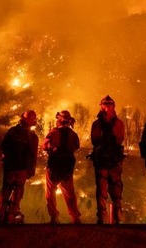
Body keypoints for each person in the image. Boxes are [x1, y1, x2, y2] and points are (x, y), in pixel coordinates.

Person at [0, 110, 39, 224]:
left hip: (10, 167)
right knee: (18, 192)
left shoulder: (12, 131)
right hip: (22, 169)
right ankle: (11, 215)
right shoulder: (32, 136)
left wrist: (6, 160)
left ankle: (0, 216)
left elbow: (3, 146)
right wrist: (31, 170)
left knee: (6, 190)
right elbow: (33, 155)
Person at [89, 95, 126, 224]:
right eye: (106, 105)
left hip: (112, 160)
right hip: (104, 160)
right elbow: (95, 141)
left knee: (115, 189)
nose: (107, 107)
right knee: (102, 189)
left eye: (109, 105)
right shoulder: (98, 124)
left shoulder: (117, 123)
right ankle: (103, 217)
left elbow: (119, 139)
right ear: (102, 106)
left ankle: (115, 216)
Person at [43, 110, 83, 224]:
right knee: (69, 193)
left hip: (54, 166)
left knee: (50, 192)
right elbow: (76, 146)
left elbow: (44, 146)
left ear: (59, 120)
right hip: (67, 167)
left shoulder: (53, 132)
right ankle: (75, 217)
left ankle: (54, 217)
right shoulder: (72, 134)